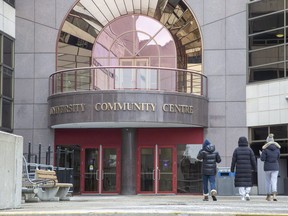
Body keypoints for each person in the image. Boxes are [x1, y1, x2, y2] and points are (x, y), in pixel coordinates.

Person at [230, 136, 256, 201]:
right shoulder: (249, 150)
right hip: (248, 169)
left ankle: (242, 196)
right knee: (248, 181)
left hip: (239, 169)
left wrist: (232, 169)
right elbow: (253, 160)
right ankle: (247, 193)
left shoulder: (236, 150)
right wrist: (255, 168)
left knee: (241, 182)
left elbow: (233, 161)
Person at [260, 133, 281, 201]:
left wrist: (261, 155)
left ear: (267, 141)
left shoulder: (265, 149)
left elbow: (262, 159)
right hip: (275, 167)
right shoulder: (277, 149)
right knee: (274, 181)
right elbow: (278, 157)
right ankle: (274, 195)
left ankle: (268, 196)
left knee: (268, 181)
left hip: (267, 167)